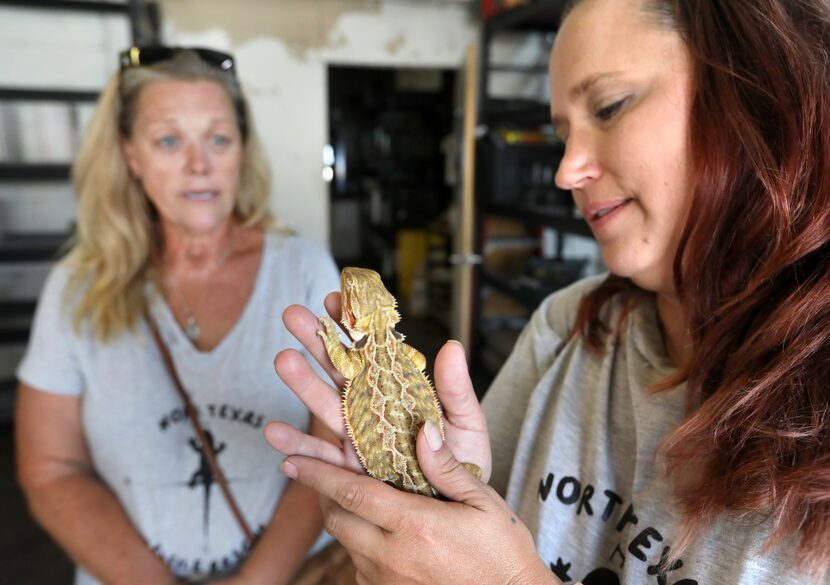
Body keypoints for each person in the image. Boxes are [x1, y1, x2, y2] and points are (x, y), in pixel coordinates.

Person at [263, 0, 830, 583]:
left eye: (609, 107)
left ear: (758, 95)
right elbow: (472, 516)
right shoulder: (569, 325)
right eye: (561, 133)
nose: (566, 170)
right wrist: (435, 502)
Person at [15, 46, 341, 584]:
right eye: (169, 140)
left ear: (242, 150)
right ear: (130, 155)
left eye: (218, 138)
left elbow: (333, 448)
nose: (200, 165)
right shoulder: (77, 289)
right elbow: (51, 470)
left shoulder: (304, 271)